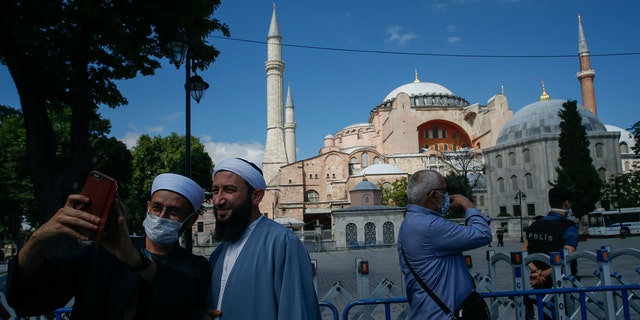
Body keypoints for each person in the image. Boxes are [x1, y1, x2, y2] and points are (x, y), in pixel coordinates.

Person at [6, 173, 212, 319]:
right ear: (148, 208)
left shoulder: (194, 266)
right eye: (157, 208)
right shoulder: (102, 255)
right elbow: (29, 293)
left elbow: (184, 297)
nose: (161, 217)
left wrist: (132, 258)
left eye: (173, 212)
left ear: (190, 221)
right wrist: (40, 237)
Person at [207, 158, 321, 319]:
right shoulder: (219, 252)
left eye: (229, 190)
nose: (218, 200)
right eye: (214, 191)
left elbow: (296, 310)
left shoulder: (282, 243)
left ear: (256, 196)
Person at [397, 169, 492, 319]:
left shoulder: (412, 222)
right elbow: (483, 234)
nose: (448, 196)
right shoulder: (430, 226)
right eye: (445, 191)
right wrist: (468, 206)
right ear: (433, 195)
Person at [522, 186, 578, 320]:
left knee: (545, 313)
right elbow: (566, 255)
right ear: (566, 203)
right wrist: (546, 273)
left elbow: (524, 251)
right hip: (562, 280)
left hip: (538, 281)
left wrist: (536, 272)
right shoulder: (568, 226)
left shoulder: (535, 225)